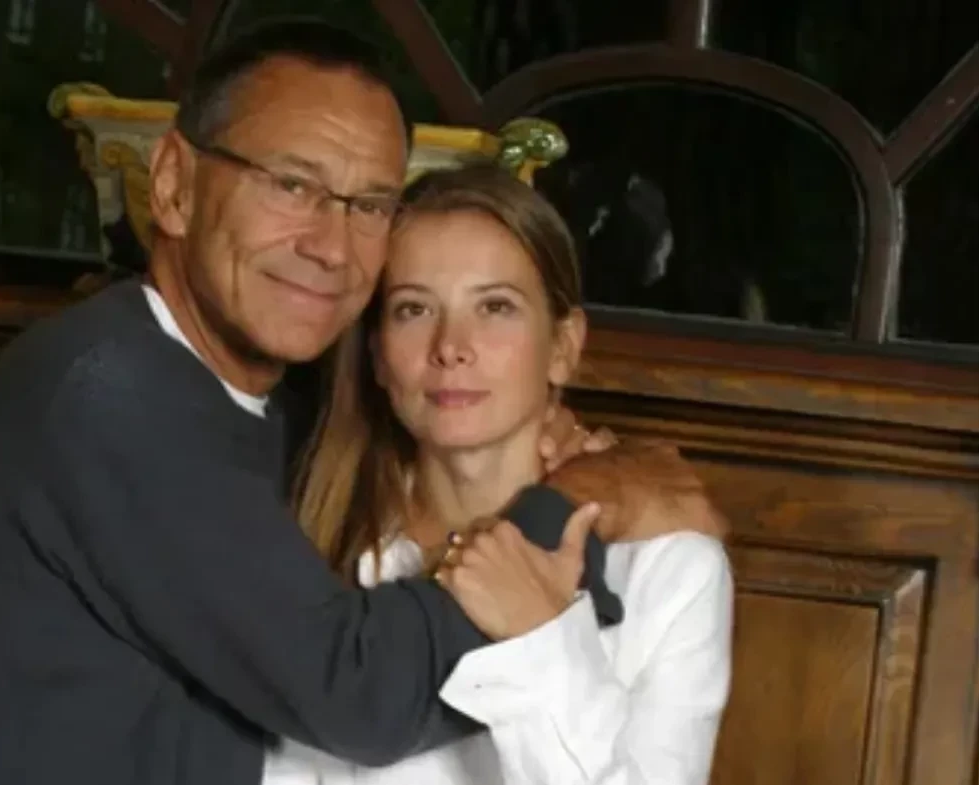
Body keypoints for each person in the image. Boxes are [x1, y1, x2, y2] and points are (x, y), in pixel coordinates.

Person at [0, 19, 727, 785]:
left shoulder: (287, 426)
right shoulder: (110, 390)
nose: (330, 245)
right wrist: (572, 506)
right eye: (291, 185)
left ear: (563, 343)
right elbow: (355, 692)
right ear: (173, 185)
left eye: (369, 205)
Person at [265, 165, 732, 785]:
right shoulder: (307, 541)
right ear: (377, 354)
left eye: (495, 307)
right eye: (413, 309)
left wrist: (541, 636)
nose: (451, 346)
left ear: (563, 346)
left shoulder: (669, 569)